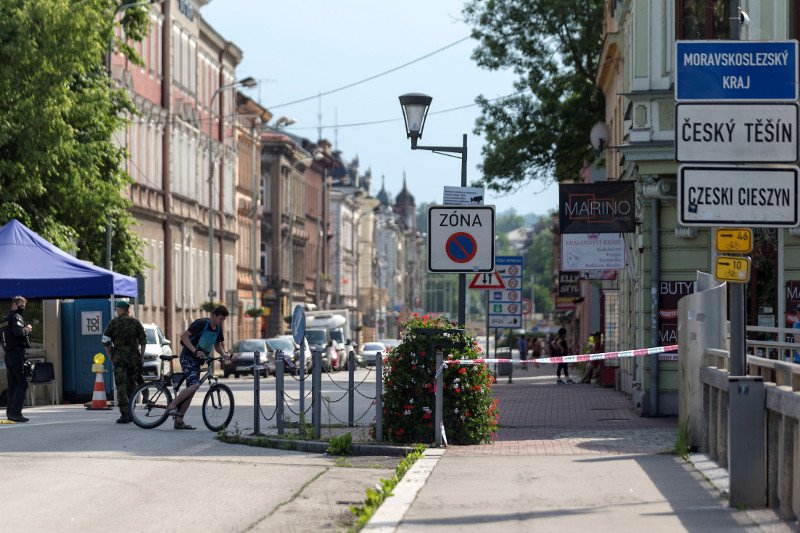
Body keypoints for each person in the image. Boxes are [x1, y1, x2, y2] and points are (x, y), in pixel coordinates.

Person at [167, 305, 229, 430]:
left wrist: (224, 354)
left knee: (192, 390)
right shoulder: (201, 323)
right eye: (220, 319)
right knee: (195, 385)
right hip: (187, 357)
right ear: (214, 315)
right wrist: (195, 351)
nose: (221, 322)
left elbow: (217, 345)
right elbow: (184, 336)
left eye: (223, 320)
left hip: (198, 361)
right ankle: (172, 405)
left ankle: (179, 420)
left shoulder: (218, 329)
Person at [102, 300, 146, 424]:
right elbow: (143, 341)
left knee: (121, 385)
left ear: (119, 310)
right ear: (128, 310)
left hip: (119, 357)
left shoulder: (113, 322)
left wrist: (110, 355)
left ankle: (125, 414)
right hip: (134, 357)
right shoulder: (136, 322)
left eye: (117, 309)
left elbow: (105, 341)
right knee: (132, 385)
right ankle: (131, 412)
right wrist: (142, 357)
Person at [1, 296, 33, 422]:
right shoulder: (16, 317)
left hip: (8, 354)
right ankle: (16, 413)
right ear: (14, 304)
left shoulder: (4, 319)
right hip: (17, 354)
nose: (23, 308)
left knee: (13, 384)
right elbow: (19, 332)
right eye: (21, 305)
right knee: (22, 382)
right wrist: (27, 329)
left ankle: (10, 413)